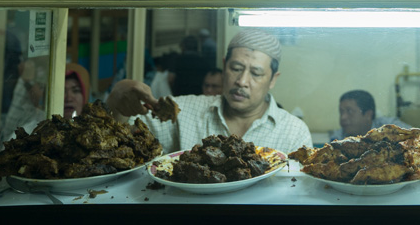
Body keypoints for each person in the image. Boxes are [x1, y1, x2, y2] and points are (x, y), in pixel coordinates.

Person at [107, 28, 312, 154]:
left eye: (256, 73)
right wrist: (116, 105)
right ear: (224, 66)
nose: (242, 81)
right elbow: (115, 139)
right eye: (236, 69)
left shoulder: (293, 132)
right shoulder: (184, 111)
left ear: (273, 79)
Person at [329, 89, 411, 141]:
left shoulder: (390, 127)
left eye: (349, 111)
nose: (343, 117)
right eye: (341, 112)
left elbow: (417, 137)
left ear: (368, 114)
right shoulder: (338, 138)